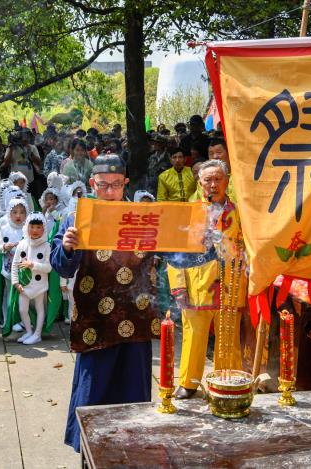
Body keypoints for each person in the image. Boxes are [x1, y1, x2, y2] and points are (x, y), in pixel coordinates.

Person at [51, 154, 160, 452]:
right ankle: (89, 453)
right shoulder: (75, 219)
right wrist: (68, 247)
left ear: (125, 182)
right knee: (92, 393)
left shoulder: (142, 216)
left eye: (115, 185)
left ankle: (133, 453)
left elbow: (168, 252)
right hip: (95, 321)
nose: (109, 191)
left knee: (134, 394)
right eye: (102, 185)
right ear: (91, 183)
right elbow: (61, 266)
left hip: (134, 318)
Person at [165, 160, 246, 398]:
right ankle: (189, 382)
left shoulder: (239, 213)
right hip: (196, 284)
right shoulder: (188, 213)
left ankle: (227, 379)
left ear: (227, 181)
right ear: (200, 183)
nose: (213, 185)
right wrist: (178, 286)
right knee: (193, 334)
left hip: (231, 283)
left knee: (229, 335)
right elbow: (175, 252)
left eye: (218, 179)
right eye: (208, 180)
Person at [11, 212, 52, 345]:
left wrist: (33, 264)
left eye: (38, 227)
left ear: (44, 229)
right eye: (32, 227)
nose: (34, 230)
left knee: (40, 308)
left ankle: (37, 334)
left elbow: (48, 268)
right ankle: (29, 331)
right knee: (22, 309)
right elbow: (15, 264)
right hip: (24, 284)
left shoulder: (46, 246)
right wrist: (15, 282)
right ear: (27, 227)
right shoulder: (22, 244)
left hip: (39, 285)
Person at [0, 198, 28, 333]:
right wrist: (4, 246)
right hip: (8, 267)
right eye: (14, 212)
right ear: (9, 214)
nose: (18, 216)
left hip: (24, 268)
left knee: (23, 293)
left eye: (22, 212)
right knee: (8, 293)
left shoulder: (28, 229)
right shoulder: (5, 229)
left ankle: (22, 319)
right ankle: (8, 319)